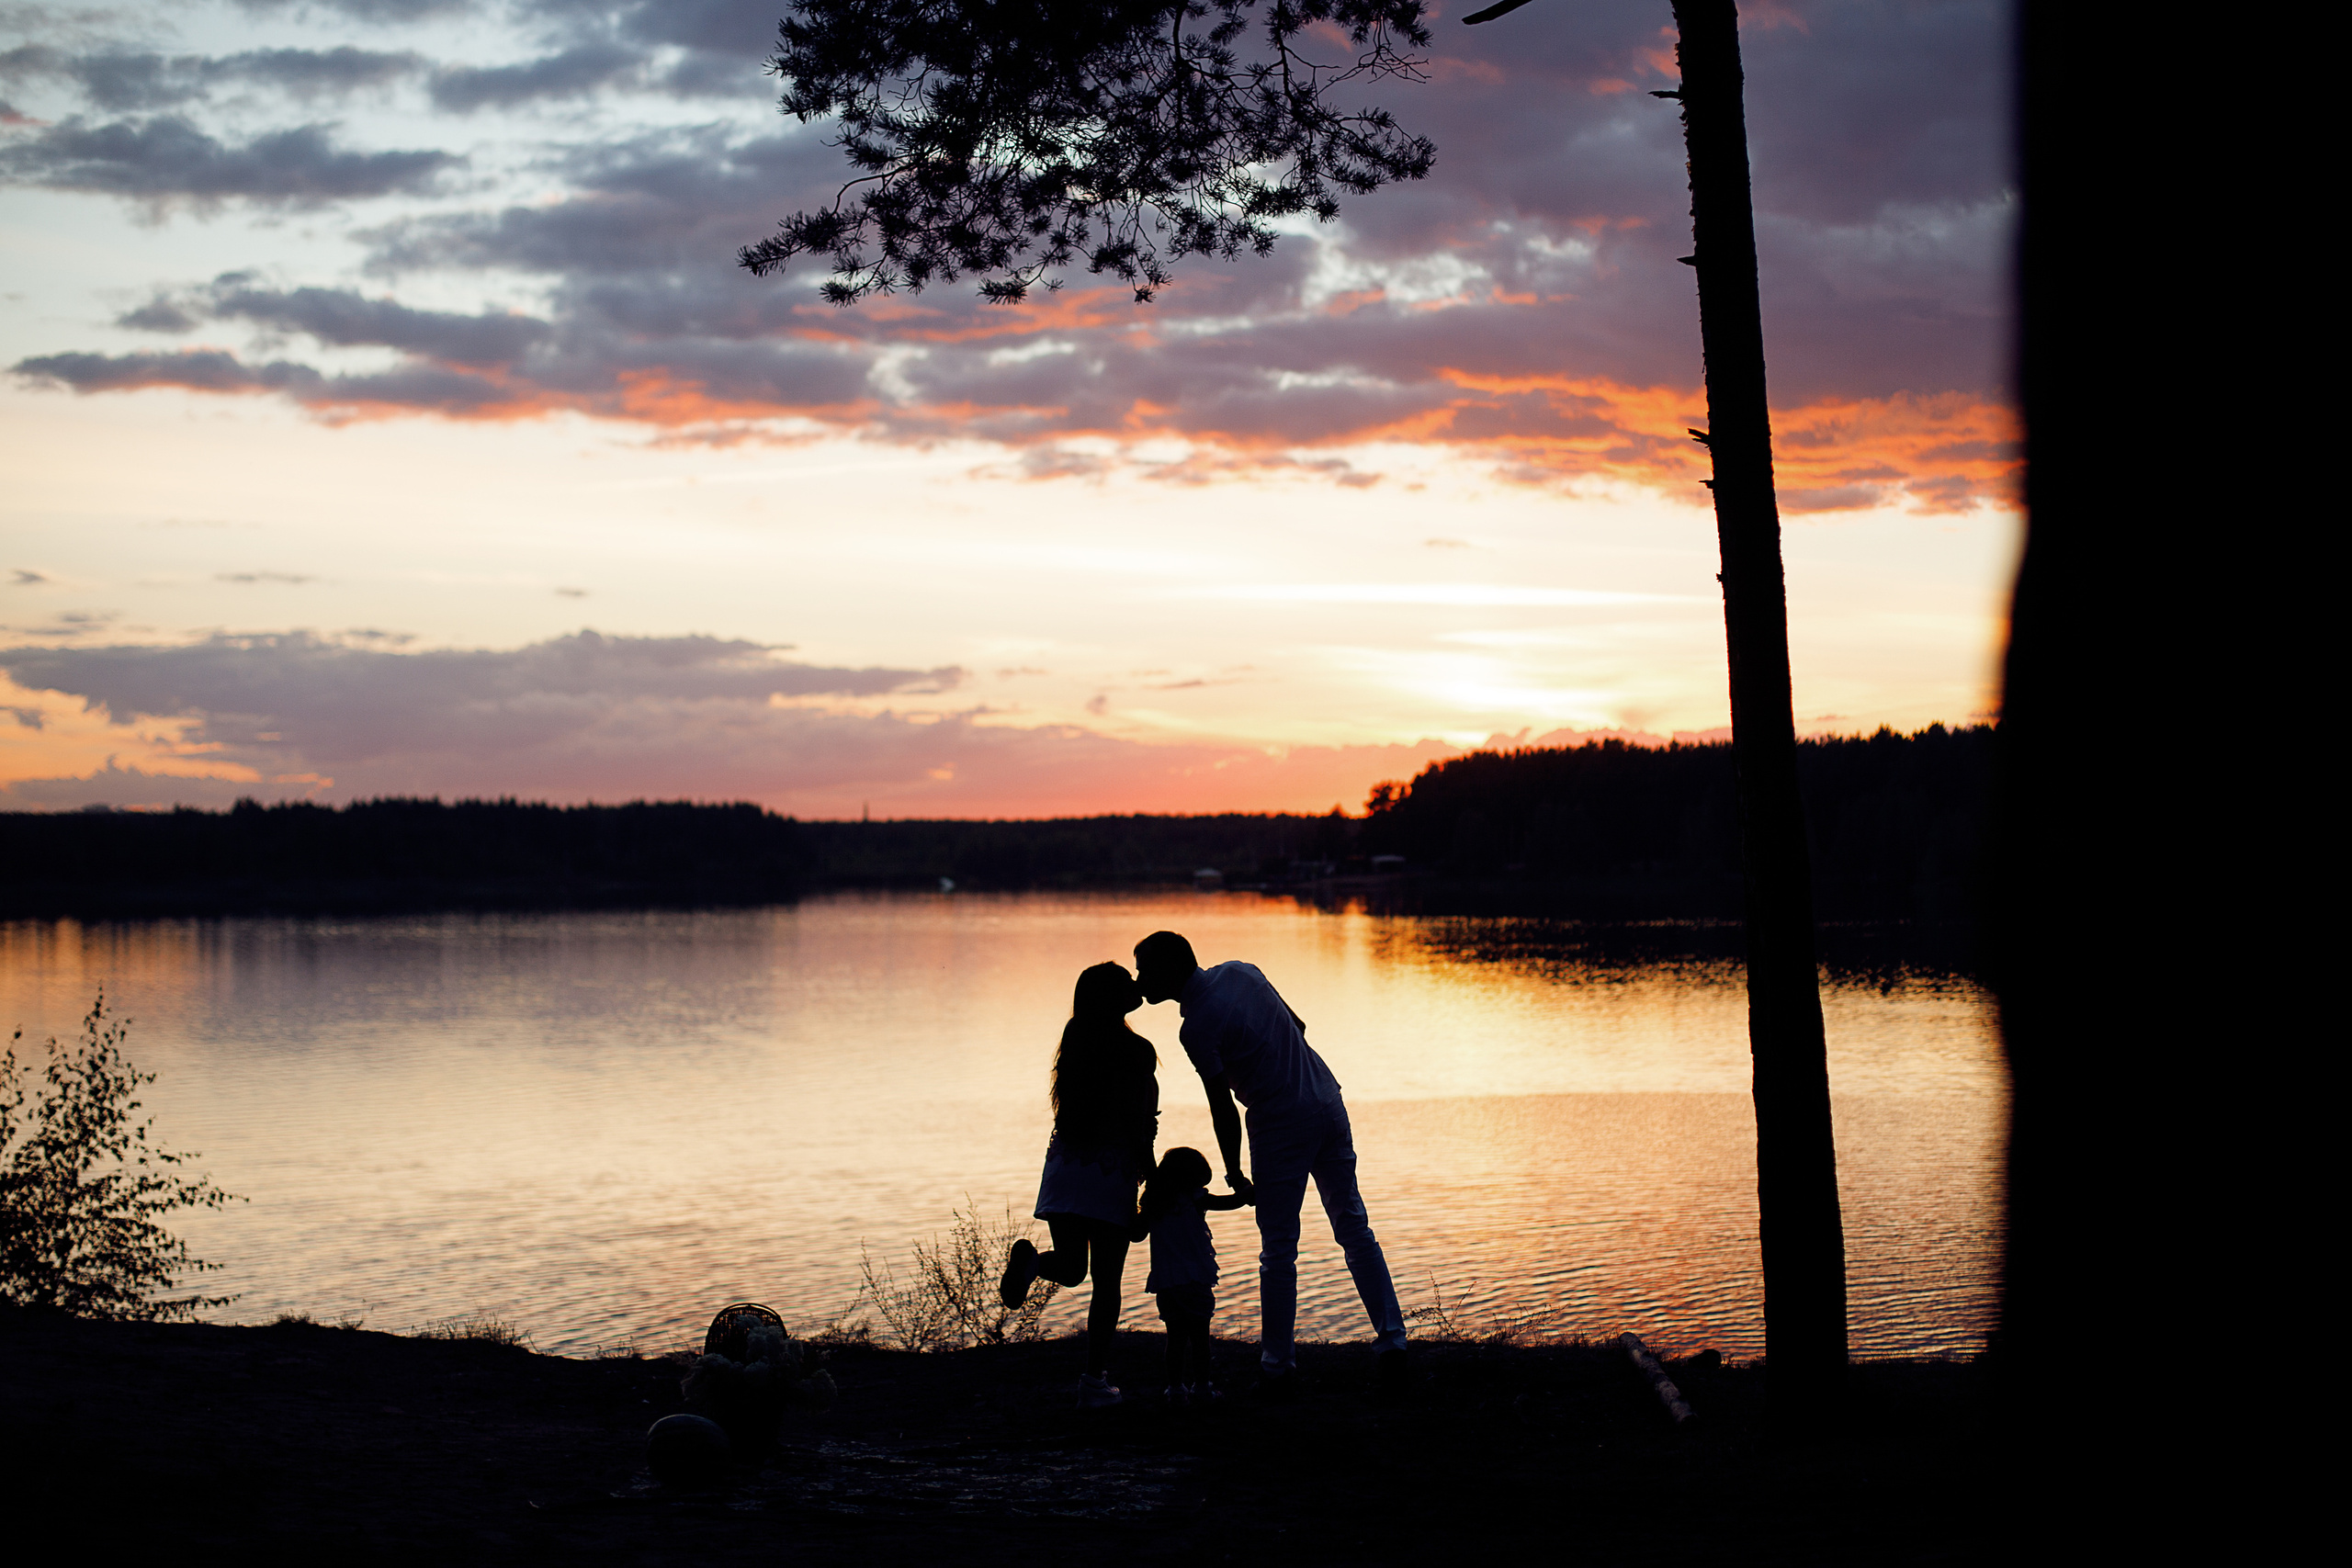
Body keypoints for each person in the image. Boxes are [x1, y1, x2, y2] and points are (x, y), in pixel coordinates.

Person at [1134, 930, 1408, 1396]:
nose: (1140, 981)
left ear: (1168, 971)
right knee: (1354, 1227)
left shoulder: (1195, 1026)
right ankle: (1393, 1341)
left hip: (1279, 1121)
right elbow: (1297, 1027)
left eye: (1145, 970)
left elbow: (1222, 1104)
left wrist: (1235, 1172)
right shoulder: (1242, 970)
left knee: (1278, 1248)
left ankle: (1278, 1364)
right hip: (1326, 1097)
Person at [999, 961, 1159, 1408]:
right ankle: (1093, 1382)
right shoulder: (1137, 1050)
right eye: (1126, 980)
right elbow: (1140, 1125)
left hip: (1067, 1166)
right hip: (1110, 1172)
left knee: (1070, 1268)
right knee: (1106, 1282)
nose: (1135, 983)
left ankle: (1032, 1266)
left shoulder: (1076, 1039)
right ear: (1112, 996)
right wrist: (1152, 1183)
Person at [1137, 1145, 1250, 1405]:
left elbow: (1137, 1232)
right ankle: (1202, 1388)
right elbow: (1233, 1202)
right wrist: (1248, 1189)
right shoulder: (1196, 1199)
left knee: (1174, 1339)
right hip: (1196, 1280)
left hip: (1167, 1282)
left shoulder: (1155, 1204)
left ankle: (1175, 1389)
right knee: (1200, 1339)